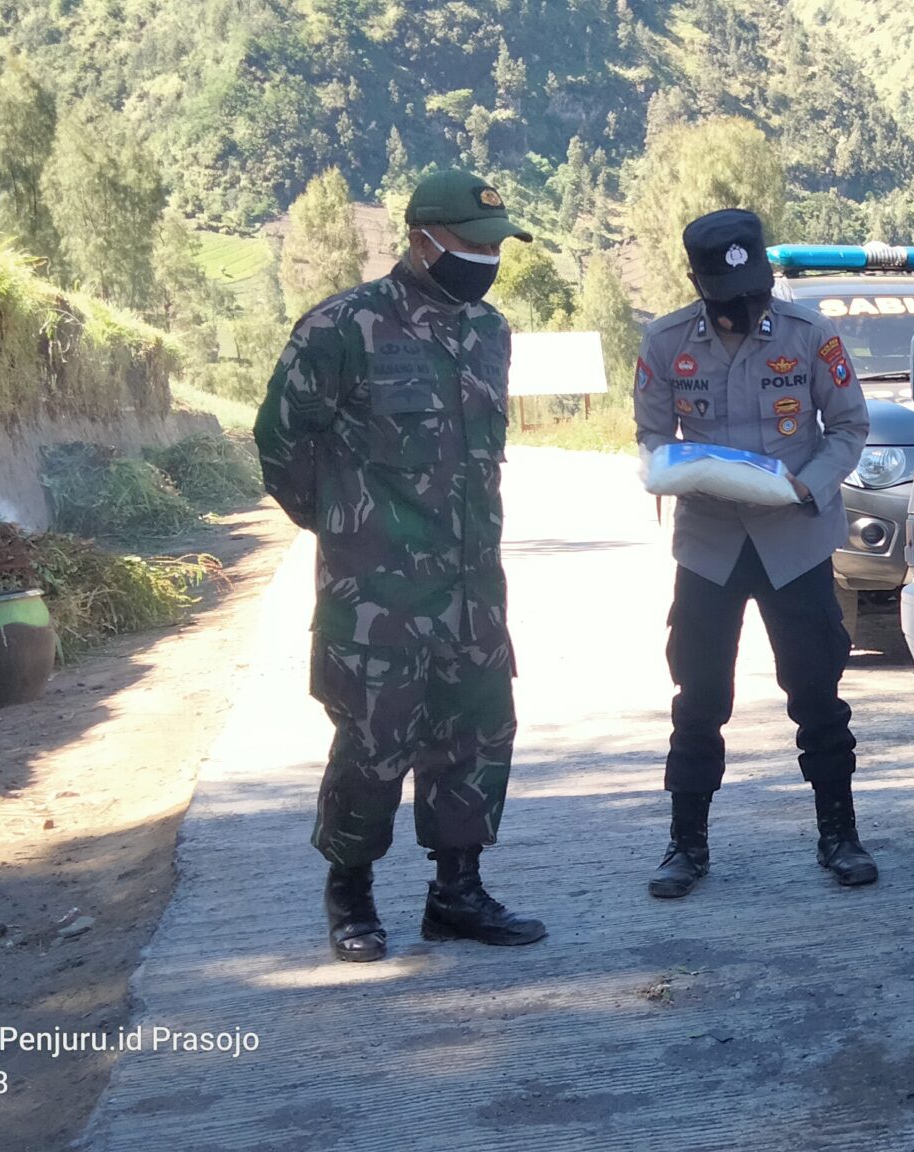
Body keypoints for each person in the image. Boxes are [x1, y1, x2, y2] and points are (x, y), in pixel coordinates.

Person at [255, 169, 546, 963]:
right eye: (473, 244)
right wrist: (345, 527)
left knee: (477, 735)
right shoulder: (343, 327)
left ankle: (458, 894)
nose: (487, 259)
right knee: (372, 745)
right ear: (422, 241)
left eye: (495, 245)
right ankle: (350, 894)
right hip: (376, 592)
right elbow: (281, 442)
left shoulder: (490, 332)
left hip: (473, 587)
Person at [633, 208, 875, 899]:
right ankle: (686, 844)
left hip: (794, 540)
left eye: (755, 295)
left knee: (817, 692)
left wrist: (809, 484)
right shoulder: (664, 342)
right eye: (729, 300)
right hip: (710, 545)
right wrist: (673, 470)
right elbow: (652, 435)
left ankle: (840, 834)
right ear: (698, 285)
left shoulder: (810, 335)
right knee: (699, 695)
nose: (746, 310)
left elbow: (848, 426)